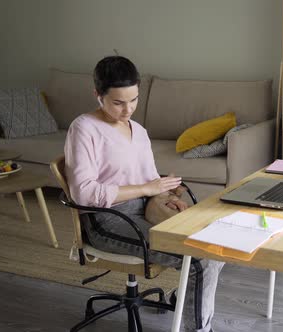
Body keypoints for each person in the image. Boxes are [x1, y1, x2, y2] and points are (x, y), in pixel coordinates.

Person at [64, 55, 224, 332]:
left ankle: (187, 297)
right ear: (97, 95)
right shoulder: (84, 129)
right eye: (118, 102)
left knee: (217, 244)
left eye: (134, 100)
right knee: (200, 258)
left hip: (146, 208)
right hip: (108, 220)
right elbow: (83, 194)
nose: (128, 110)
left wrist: (166, 189)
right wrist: (147, 188)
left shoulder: (137, 130)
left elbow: (148, 177)